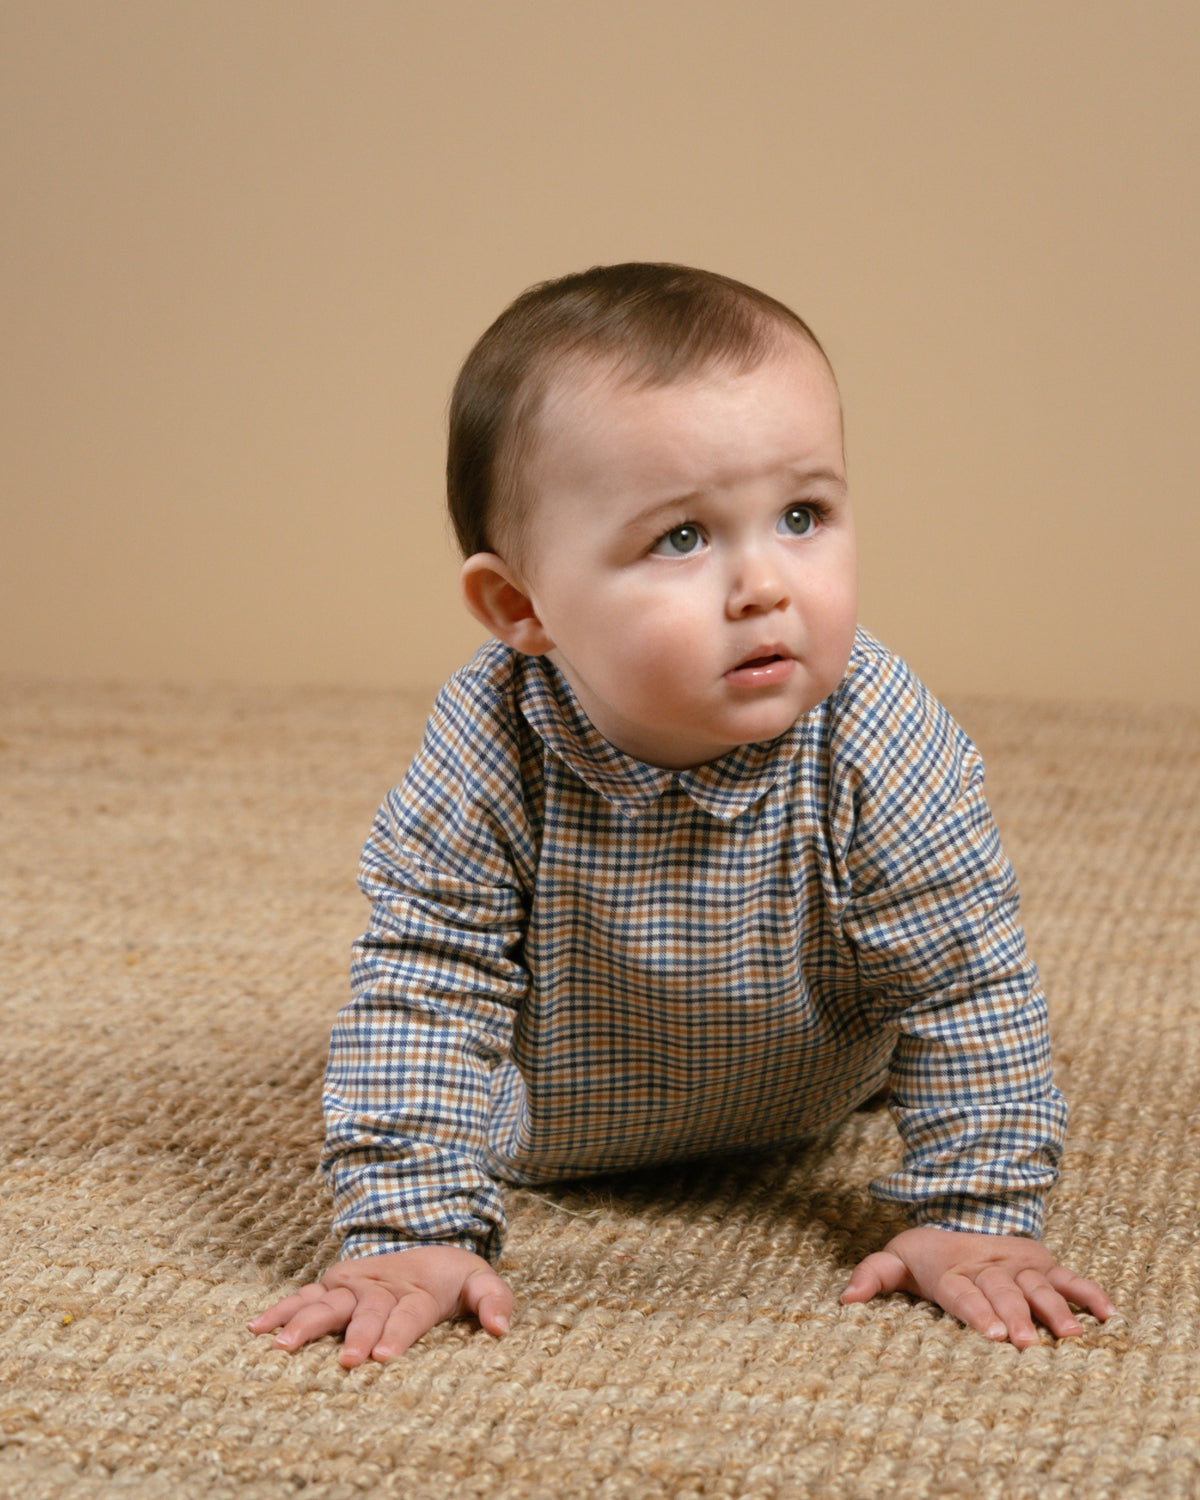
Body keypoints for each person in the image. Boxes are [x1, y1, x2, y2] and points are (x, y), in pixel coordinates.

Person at [250, 263, 1114, 1366]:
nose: (765, 585)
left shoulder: (878, 728)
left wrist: (979, 1210)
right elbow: (428, 980)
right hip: (553, 1126)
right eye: (682, 538)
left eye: (803, 515)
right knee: (418, 999)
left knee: (957, 974)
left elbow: (963, 975)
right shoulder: (490, 745)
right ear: (522, 606)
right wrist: (409, 1229)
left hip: (816, 1092)